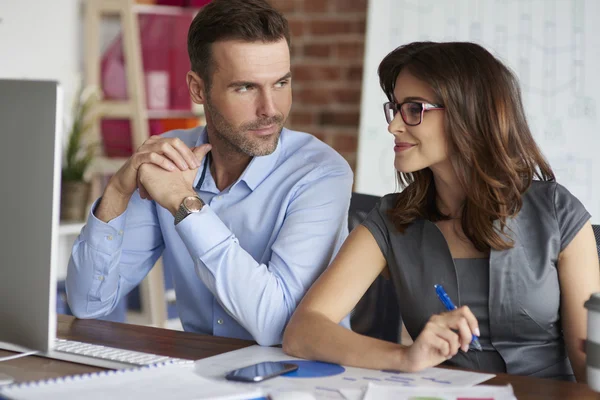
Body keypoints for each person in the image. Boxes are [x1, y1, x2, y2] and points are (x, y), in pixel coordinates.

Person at [282, 41, 600, 381]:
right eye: (395, 108)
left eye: (415, 109)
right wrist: (405, 357)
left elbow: (591, 373)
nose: (394, 126)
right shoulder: (392, 220)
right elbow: (303, 331)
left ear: (470, 112)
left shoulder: (556, 212)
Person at [66, 0, 353, 346]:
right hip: (203, 375)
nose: (271, 109)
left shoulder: (321, 174)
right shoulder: (170, 159)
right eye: (245, 87)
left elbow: (276, 326)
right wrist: (117, 192)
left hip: (299, 380)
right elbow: (87, 305)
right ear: (198, 89)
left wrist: (186, 205)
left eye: (280, 83)